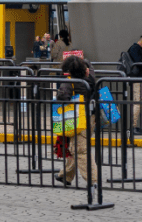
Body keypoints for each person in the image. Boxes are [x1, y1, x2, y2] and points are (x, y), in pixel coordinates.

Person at [55, 55, 98, 194]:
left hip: (77, 120)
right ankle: (65, 176)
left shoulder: (70, 82)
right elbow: (89, 65)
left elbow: (62, 97)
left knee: (80, 149)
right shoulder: (90, 79)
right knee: (76, 146)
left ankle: (93, 180)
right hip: (91, 118)